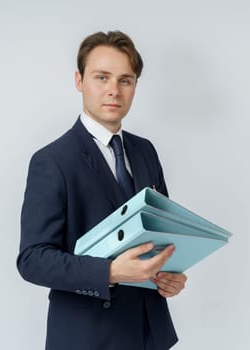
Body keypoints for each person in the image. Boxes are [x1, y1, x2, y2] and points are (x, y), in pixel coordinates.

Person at [17, 31, 187, 350]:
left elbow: (162, 233)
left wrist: (168, 273)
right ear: (79, 80)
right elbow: (32, 259)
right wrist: (109, 271)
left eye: (125, 80)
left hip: (149, 334)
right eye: (102, 77)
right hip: (88, 337)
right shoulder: (52, 161)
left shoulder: (145, 151)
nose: (114, 90)